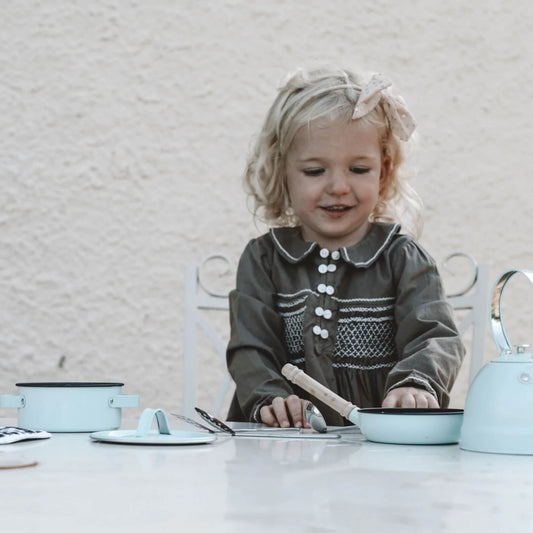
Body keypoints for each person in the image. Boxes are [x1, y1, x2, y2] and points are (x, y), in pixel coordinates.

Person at [226, 67, 465, 428]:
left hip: (376, 446)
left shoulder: (402, 258)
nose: (338, 186)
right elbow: (251, 349)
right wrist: (269, 396)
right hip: (283, 445)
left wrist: (416, 383)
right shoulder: (264, 259)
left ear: (383, 173)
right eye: (314, 171)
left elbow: (435, 337)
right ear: (283, 173)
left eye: (358, 169)